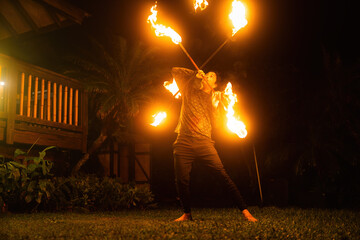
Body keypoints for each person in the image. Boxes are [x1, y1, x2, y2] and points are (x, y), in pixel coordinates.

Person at [171, 67, 258, 222]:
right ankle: (187, 214)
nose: (207, 76)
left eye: (212, 76)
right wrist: (193, 74)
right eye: (207, 74)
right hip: (183, 141)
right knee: (181, 180)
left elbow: (217, 124)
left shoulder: (214, 98)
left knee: (222, 175)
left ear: (215, 84)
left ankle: (245, 211)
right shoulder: (189, 89)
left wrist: (215, 105)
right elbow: (175, 71)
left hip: (204, 141)